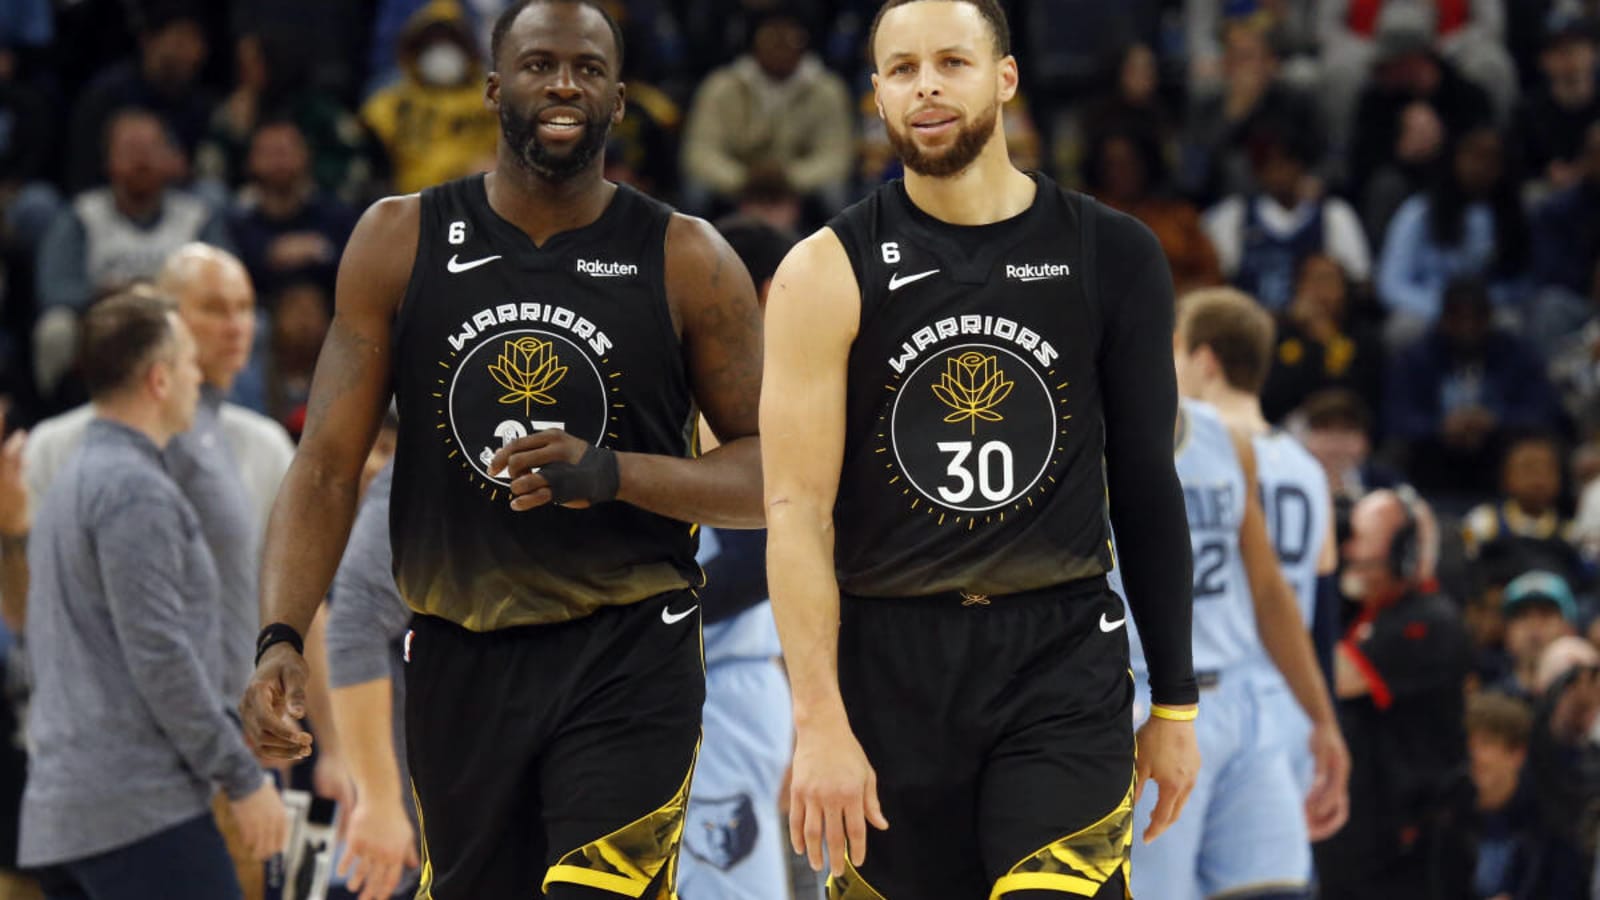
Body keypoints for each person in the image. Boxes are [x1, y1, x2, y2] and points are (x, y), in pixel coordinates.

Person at [238, 1, 765, 898]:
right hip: (457, 657)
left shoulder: (687, 257)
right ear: (493, 87)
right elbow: (326, 462)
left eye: (589, 69)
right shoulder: (396, 240)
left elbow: (769, 474)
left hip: (630, 650)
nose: (564, 83)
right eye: (540, 64)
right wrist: (281, 632)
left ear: (619, 99)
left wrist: (615, 474)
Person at [759, 0, 1199, 895]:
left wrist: (1177, 702)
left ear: (1005, 79)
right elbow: (795, 513)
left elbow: (1148, 486)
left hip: (1059, 657)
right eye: (903, 68)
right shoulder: (824, 269)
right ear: (876, 96)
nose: (927, 84)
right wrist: (817, 722)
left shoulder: (1111, 254)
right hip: (887, 663)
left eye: (953, 62)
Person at [18, 290, 287, 900]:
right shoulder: (134, 490)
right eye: (189, 362)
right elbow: (161, 658)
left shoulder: (73, 480)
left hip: (69, 811)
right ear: (160, 379)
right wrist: (242, 779)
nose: (200, 376)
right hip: (138, 811)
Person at [1128, 296, 1349, 900]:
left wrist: (1323, 719)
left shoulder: (1230, 444)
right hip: (1147, 706)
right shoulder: (1084, 447)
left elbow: (1271, 592)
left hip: (1245, 701)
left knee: (1279, 887)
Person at [678, 215, 797, 900]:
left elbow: (757, 564)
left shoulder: (763, 394)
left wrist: (639, 607)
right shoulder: (686, 380)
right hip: (660, 685)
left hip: (725, 683)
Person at [1320, 488, 1475, 899]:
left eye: (1360, 547)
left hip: (1409, 838)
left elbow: (1331, 677)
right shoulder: (1368, 614)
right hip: (1365, 830)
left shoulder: (1429, 621)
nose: (1350, 554)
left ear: (1405, 552)